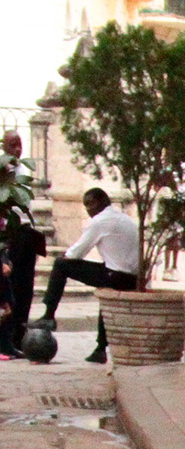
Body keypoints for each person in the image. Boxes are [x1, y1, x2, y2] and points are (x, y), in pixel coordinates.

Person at [40, 187, 138, 364]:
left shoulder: (100, 221)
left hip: (116, 275)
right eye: (85, 205)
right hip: (132, 277)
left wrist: (65, 257)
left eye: (90, 204)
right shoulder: (123, 218)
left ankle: (48, 314)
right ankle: (100, 349)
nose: (88, 209)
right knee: (105, 291)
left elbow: (76, 253)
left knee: (61, 265)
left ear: (102, 202)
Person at [0, 130, 45, 360]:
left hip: (26, 233)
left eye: (20, 144)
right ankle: (7, 338)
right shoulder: (3, 169)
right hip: (10, 233)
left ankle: (19, 334)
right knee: (11, 287)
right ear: (4, 146)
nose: (18, 149)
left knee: (26, 286)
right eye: (12, 144)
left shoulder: (22, 170)